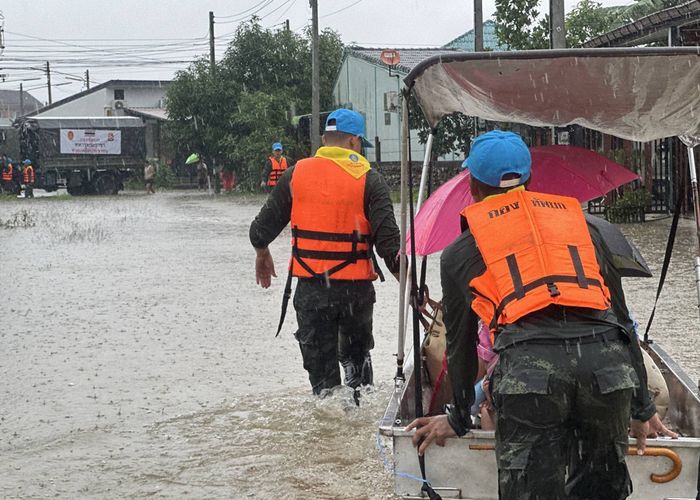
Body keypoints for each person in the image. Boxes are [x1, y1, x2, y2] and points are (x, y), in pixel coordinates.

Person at [406, 131, 674, 499]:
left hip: (531, 378)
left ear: (472, 186)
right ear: (531, 181)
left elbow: (462, 345)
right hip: (606, 373)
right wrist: (642, 406)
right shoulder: (589, 228)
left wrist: (457, 416)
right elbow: (622, 322)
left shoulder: (459, 252)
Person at [250, 109, 401, 396]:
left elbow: (259, 230)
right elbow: (390, 250)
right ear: (355, 143)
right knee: (359, 376)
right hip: (355, 295)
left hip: (312, 294)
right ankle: (359, 425)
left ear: (323, 139)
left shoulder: (295, 175)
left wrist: (261, 252)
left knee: (324, 391)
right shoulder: (371, 180)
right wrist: (413, 290)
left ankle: (327, 434)